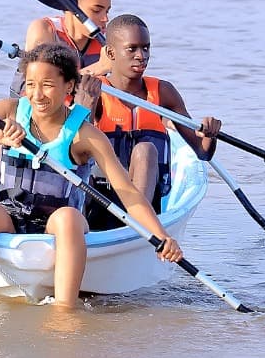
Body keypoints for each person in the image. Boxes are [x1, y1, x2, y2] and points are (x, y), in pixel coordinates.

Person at [0, 42, 184, 309]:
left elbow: (127, 192)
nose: (37, 95)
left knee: (68, 218)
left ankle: (64, 311)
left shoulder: (84, 135)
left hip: (58, 222)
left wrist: (162, 237)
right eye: (30, 84)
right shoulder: (8, 111)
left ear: (69, 87)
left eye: (48, 85)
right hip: (11, 215)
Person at [86, 13, 222, 230]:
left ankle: (138, 226)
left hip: (148, 207)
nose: (141, 56)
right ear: (111, 53)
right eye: (132, 49)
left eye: (146, 48)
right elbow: (74, 149)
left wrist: (210, 136)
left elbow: (203, 153)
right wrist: (87, 102)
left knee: (146, 150)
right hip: (103, 202)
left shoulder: (163, 92)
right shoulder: (95, 90)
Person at [9, 0, 113, 96]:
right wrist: (99, 67)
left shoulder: (106, 42)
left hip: (78, 108)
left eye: (107, 11)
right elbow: (45, 86)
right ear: (71, 7)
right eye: (96, 10)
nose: (105, 19)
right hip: (33, 108)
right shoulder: (44, 30)